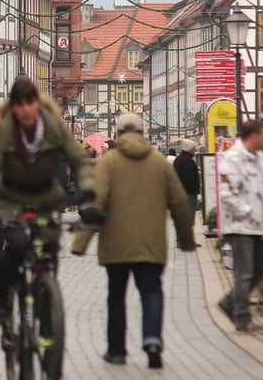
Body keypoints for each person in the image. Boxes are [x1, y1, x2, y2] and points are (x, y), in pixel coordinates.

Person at [71, 114, 194, 369]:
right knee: (151, 291)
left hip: (116, 243)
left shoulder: (109, 162)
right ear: (141, 132)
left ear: (117, 134)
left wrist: (80, 243)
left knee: (116, 296)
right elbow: (180, 202)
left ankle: (116, 351)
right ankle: (152, 341)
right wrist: (186, 240)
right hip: (152, 242)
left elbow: (97, 201)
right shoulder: (159, 163)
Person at [0, 78, 95, 322]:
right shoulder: (3, 131)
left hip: (46, 198)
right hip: (12, 198)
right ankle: (1, 292)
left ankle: (47, 306)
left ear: (37, 104)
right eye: (21, 104)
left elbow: (79, 160)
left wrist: (90, 196)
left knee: (49, 250)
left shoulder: (54, 127)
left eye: (31, 102)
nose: (26, 109)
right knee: (17, 245)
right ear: (14, 106)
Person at [217, 120, 263, 334]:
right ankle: (242, 318)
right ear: (253, 136)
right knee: (244, 273)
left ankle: (229, 302)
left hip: (258, 224)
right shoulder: (233, 158)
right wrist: (247, 211)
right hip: (240, 225)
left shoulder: (258, 158)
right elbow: (227, 192)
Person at [173, 138, 201, 218]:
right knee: (189, 215)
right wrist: (195, 190)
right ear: (189, 149)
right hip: (189, 194)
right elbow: (190, 178)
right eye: (193, 148)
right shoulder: (189, 161)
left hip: (179, 192)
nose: (195, 150)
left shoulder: (177, 160)